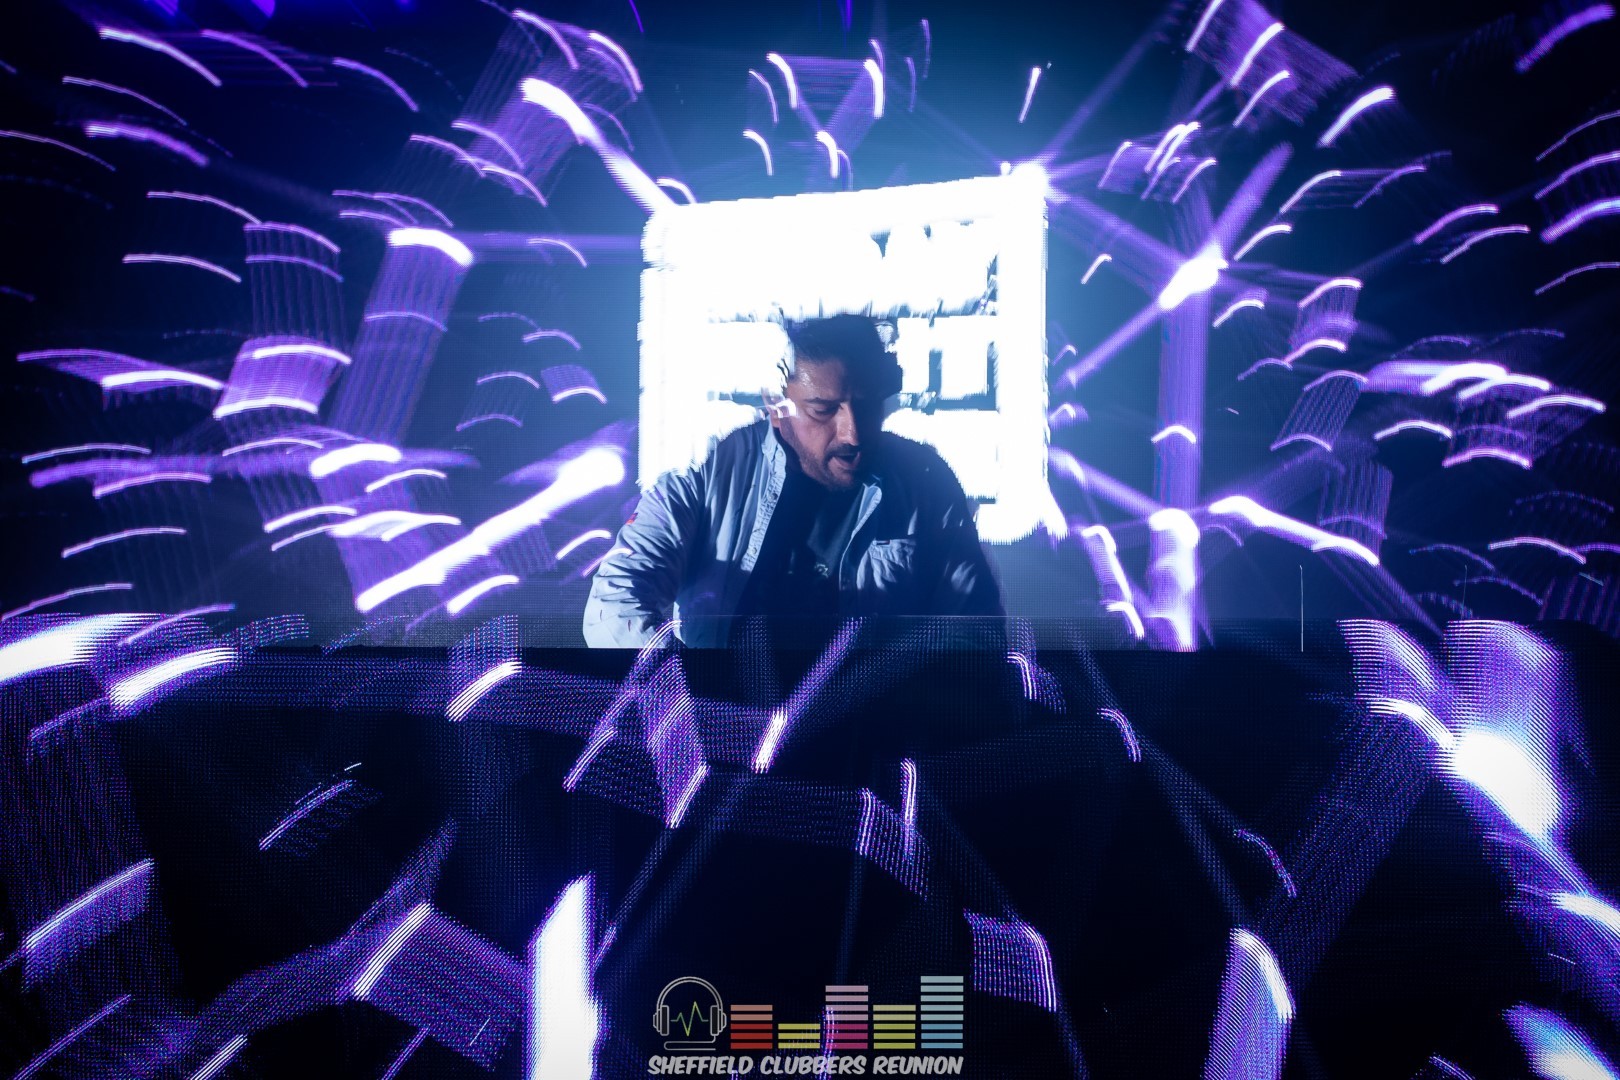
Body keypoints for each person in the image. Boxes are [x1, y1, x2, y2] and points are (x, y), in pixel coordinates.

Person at [583, 314, 1003, 647]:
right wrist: (683, 693)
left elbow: (977, 631)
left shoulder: (926, 482)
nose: (853, 433)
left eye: (867, 405)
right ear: (775, 402)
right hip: (726, 728)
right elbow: (615, 603)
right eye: (823, 409)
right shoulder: (706, 470)